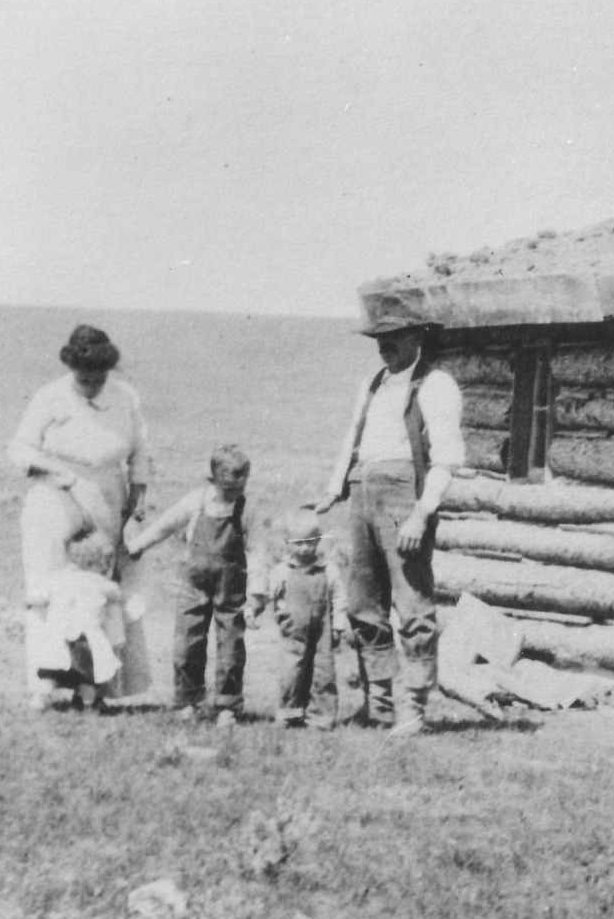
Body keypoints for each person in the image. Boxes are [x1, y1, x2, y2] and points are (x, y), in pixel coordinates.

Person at [318, 308, 465, 738]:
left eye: (395, 336)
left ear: (416, 337)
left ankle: (412, 708)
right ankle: (379, 704)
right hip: (362, 490)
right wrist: (335, 487)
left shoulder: (436, 385)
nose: (385, 346)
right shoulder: (372, 382)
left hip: (404, 497)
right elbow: (353, 438)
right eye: (379, 338)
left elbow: (446, 458)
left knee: (413, 605)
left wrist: (421, 513)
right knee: (363, 603)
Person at [7, 324, 153, 709]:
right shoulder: (50, 396)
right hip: (54, 496)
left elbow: (140, 454)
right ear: (70, 368)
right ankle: (46, 684)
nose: (90, 385)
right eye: (83, 378)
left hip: (107, 494)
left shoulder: (125, 397)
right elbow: (20, 448)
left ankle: (93, 688)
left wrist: (136, 506)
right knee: (48, 588)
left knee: (98, 593)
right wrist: (57, 473)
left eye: (98, 378)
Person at [128, 445, 252, 724]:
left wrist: (257, 592)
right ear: (212, 480)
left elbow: (257, 550)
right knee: (187, 641)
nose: (234, 494)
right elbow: (166, 524)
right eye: (228, 489)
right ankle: (188, 700)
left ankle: (228, 705)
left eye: (239, 488)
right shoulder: (197, 501)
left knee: (231, 645)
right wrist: (139, 545)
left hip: (230, 588)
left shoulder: (245, 508)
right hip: (193, 583)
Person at [248, 506, 350, 730]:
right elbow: (267, 594)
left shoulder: (328, 569)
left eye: (310, 542)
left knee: (323, 670)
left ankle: (321, 716)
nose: (304, 548)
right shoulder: (281, 571)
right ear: (287, 542)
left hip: (322, 629)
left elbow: (339, 598)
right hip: (294, 629)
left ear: (319, 540)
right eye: (298, 543)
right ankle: (290, 712)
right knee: (292, 669)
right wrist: (253, 610)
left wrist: (339, 625)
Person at [30, 527, 143, 709]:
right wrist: (132, 601)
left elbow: (38, 596)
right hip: (86, 640)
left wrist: (31, 602)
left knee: (51, 673)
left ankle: (41, 698)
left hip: (59, 637)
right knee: (86, 676)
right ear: (95, 564)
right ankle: (90, 703)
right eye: (105, 564)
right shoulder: (101, 584)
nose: (106, 568)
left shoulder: (57, 579)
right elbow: (118, 594)